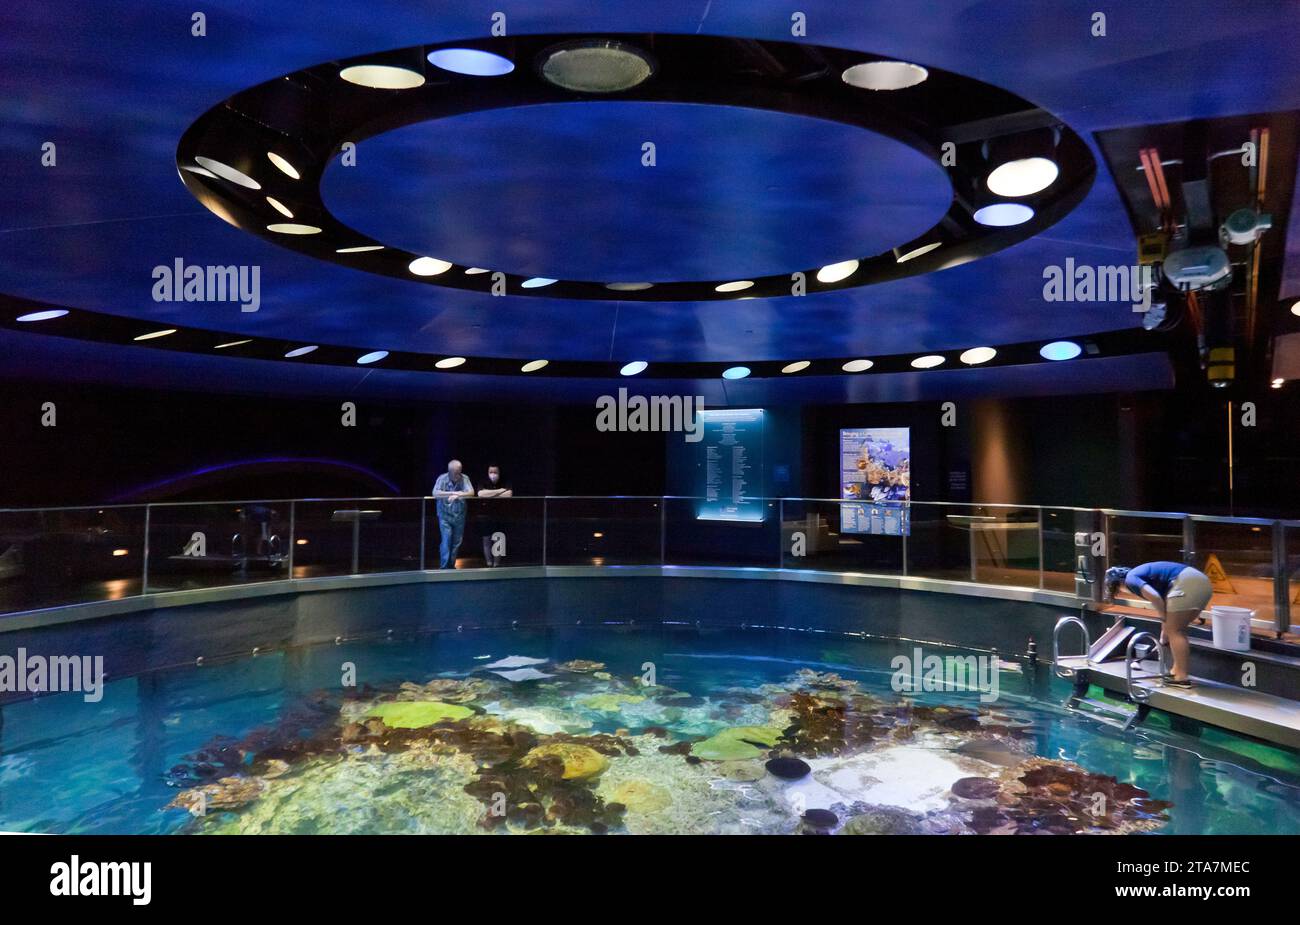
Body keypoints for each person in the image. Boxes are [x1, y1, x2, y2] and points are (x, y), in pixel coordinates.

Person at [1104, 562, 1213, 688]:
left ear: (1118, 584)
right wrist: (1164, 634)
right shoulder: (1144, 574)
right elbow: (1167, 605)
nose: (1122, 592)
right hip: (1203, 583)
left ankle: (1181, 677)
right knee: (1176, 630)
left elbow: (1155, 598)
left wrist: (1163, 617)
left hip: (1185, 583)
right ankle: (1175, 672)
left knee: (1176, 631)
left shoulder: (1131, 579)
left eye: (1118, 591)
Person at [432, 459, 474, 569]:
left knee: (456, 542)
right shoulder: (442, 478)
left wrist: (458, 495)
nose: (458, 475)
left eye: (459, 472)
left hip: (459, 515)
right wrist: (453, 493)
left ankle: (451, 566)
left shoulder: (465, 478)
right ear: (449, 471)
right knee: (446, 540)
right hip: (445, 515)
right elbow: (435, 493)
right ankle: (444, 567)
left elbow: (471, 493)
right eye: (455, 473)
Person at [476, 465, 513, 567]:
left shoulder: (506, 481)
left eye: (495, 472)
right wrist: (500, 491)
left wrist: (490, 493)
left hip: (501, 515)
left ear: (499, 472)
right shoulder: (482, 481)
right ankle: (489, 563)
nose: (493, 474)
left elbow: (508, 494)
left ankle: (496, 564)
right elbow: (480, 494)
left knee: (499, 539)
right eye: (490, 472)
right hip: (485, 516)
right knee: (486, 539)